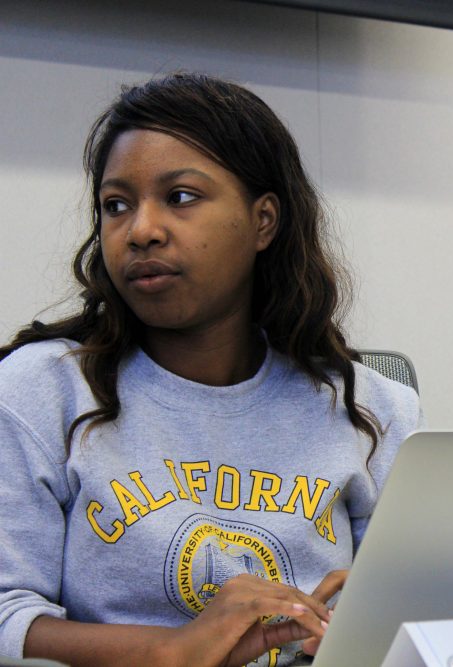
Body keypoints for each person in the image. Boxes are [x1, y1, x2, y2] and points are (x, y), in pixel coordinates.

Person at [0, 73, 423, 666]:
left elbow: (415, 614)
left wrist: (368, 634)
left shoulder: (373, 408)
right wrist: (171, 651)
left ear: (264, 221)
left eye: (179, 197)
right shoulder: (41, 391)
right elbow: (7, 614)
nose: (140, 230)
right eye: (116, 206)